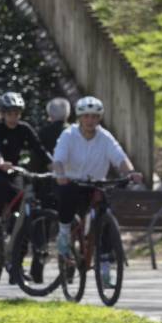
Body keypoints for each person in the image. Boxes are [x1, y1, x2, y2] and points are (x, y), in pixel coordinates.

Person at [52, 95, 142, 287]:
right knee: (66, 197)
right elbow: (58, 159)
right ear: (79, 118)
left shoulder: (104, 137)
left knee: (105, 220)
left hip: (96, 185)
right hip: (73, 182)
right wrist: (60, 174)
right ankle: (64, 234)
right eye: (86, 117)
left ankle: (104, 269)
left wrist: (131, 172)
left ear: (99, 118)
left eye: (94, 117)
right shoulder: (69, 135)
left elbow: (120, 157)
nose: (90, 121)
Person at [0, 91, 52, 242]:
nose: (14, 117)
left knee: (22, 198)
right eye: (10, 113)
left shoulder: (24, 129)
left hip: (12, 173)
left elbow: (39, 148)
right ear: (3, 114)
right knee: (1, 186)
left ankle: (15, 234)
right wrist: (0, 163)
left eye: (17, 113)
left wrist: (54, 165)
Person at [32, 97, 71, 173]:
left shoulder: (43, 132)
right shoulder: (74, 132)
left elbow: (35, 158)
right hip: (72, 176)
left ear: (50, 114)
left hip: (47, 177)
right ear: (67, 113)